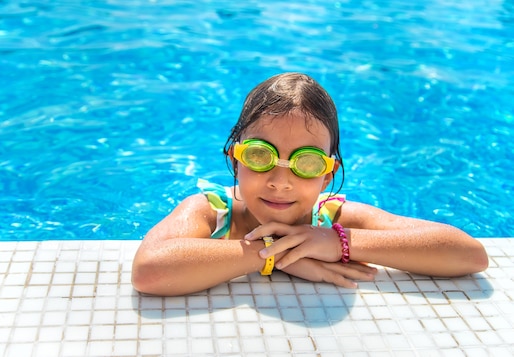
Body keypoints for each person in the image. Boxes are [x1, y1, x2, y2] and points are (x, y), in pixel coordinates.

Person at [131, 72, 489, 296]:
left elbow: (467, 253)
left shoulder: (332, 218)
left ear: (327, 175)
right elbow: (150, 271)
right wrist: (275, 254)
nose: (280, 182)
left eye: (306, 163)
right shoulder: (210, 211)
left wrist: (336, 242)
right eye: (260, 156)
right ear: (234, 160)